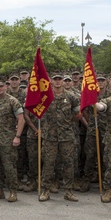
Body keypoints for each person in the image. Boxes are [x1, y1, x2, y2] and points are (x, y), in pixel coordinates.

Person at [39, 74, 81, 202]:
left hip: (66, 135)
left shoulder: (71, 97)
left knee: (68, 163)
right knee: (48, 163)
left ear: (63, 82)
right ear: (51, 81)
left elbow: (78, 114)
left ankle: (68, 191)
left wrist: (67, 122)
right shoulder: (46, 96)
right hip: (49, 135)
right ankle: (45, 190)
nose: (57, 82)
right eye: (55, 79)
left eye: (60, 79)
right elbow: (37, 111)